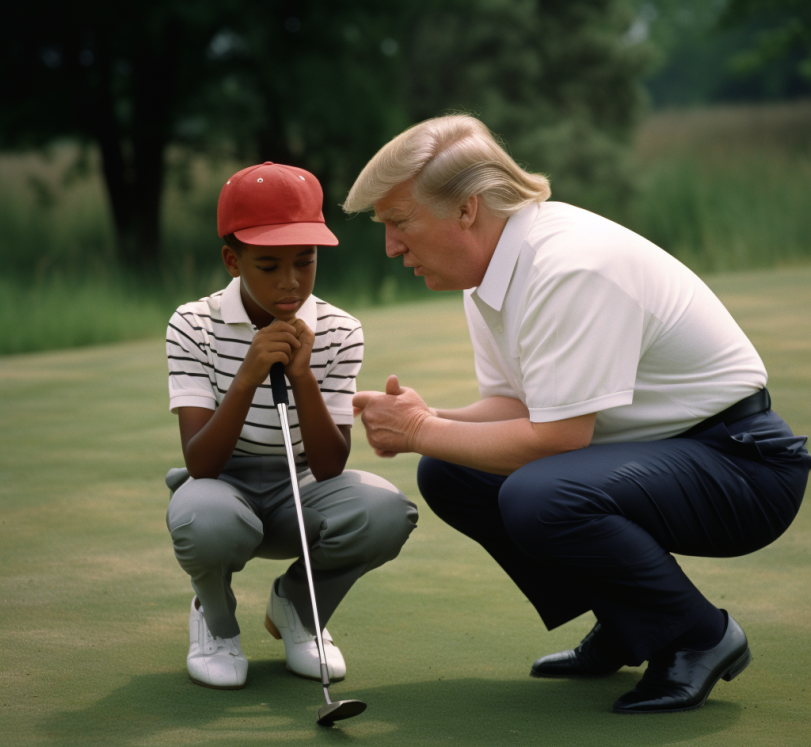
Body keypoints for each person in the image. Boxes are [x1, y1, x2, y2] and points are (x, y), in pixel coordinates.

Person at [345, 115, 810, 713]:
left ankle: (699, 636)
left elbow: (559, 438)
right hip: (664, 457)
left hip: (743, 466)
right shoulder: (489, 272)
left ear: (466, 209)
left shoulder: (566, 265)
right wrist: (431, 419)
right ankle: (629, 622)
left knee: (538, 493)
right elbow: (520, 404)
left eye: (400, 222)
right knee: (449, 469)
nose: (391, 245)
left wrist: (419, 430)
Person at [165, 162, 417, 690]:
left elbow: (330, 466)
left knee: (387, 511)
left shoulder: (341, 330)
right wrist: (248, 376)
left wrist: (301, 377)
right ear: (233, 261)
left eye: (306, 262)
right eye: (268, 265)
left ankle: (298, 610)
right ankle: (215, 622)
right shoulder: (192, 324)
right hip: (221, 486)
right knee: (201, 517)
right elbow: (200, 462)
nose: (291, 282)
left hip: (300, 488)